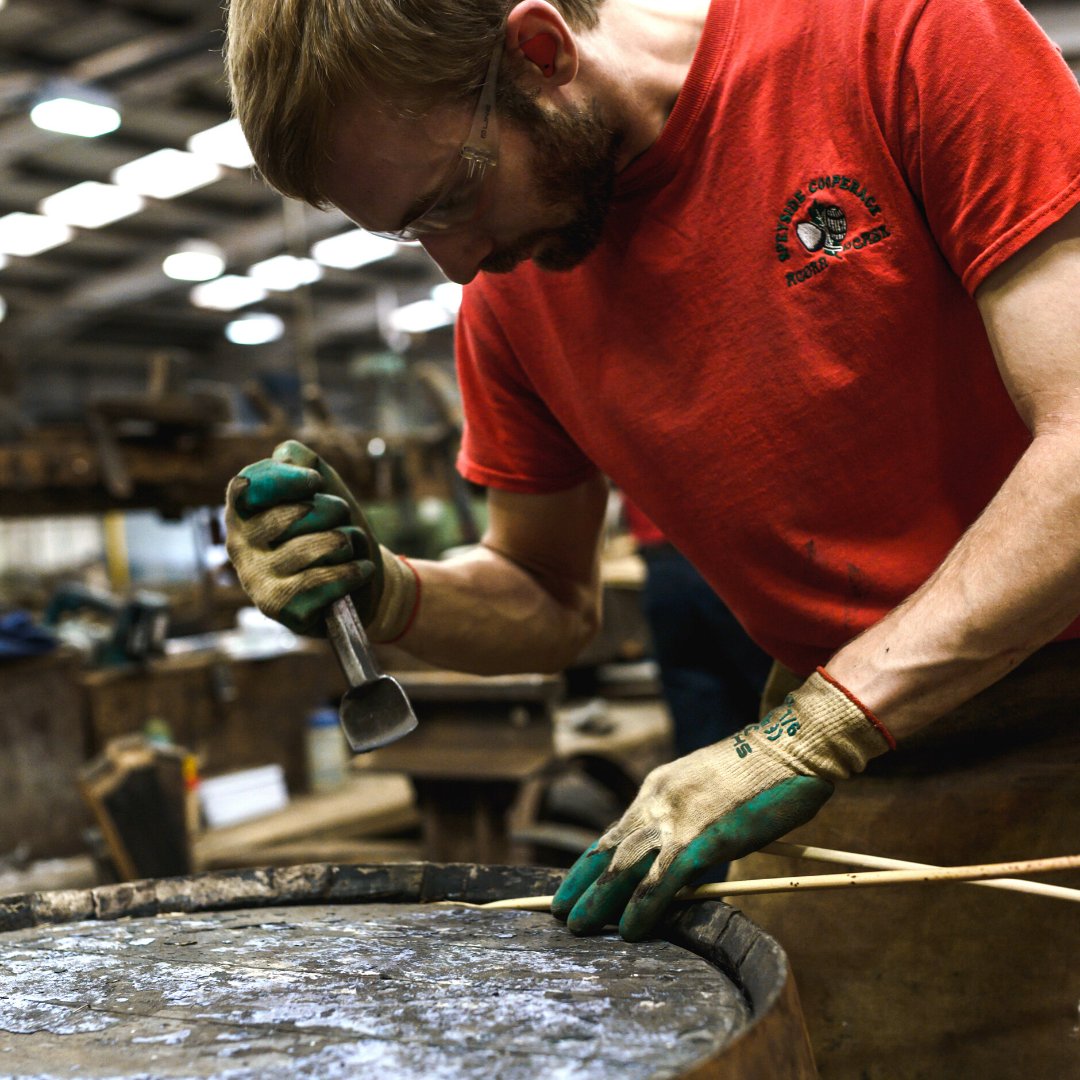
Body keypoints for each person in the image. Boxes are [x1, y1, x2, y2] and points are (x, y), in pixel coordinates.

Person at [222, 3, 1080, 1058]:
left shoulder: (892, 39)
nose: (453, 263)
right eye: (409, 229)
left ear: (539, 51)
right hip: (868, 755)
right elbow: (545, 597)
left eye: (452, 197)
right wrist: (386, 587)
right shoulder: (510, 298)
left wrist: (809, 733)